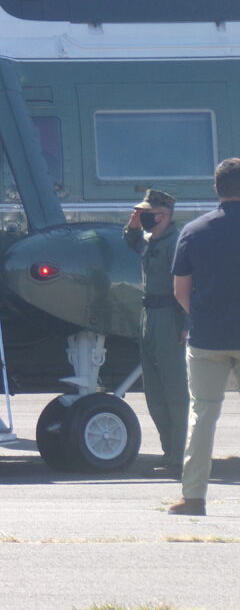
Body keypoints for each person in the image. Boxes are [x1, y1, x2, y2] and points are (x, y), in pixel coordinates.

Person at [168, 158, 240, 516]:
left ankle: (193, 497)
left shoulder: (194, 231)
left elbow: (181, 290)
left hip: (207, 338)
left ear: (217, 189)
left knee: (202, 416)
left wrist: (198, 317)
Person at [123, 189, 187, 475]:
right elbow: (131, 241)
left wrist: (187, 323)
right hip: (148, 315)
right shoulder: (151, 240)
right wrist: (133, 223)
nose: (144, 217)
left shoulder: (177, 243)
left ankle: (180, 457)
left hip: (169, 316)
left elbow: (188, 285)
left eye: (148, 213)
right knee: (154, 393)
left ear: (164, 214)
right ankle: (169, 452)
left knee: (175, 391)